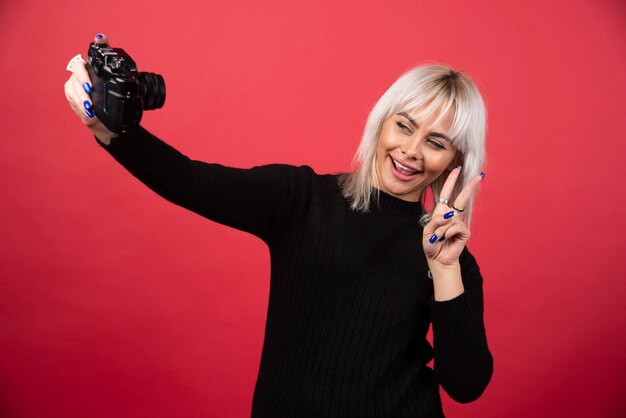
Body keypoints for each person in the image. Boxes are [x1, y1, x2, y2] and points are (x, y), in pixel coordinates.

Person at [64, 33, 493, 418]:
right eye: (404, 126)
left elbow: (465, 385)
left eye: (435, 143)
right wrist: (108, 129)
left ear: (454, 162)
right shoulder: (304, 199)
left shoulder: (452, 258)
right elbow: (191, 181)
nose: (411, 151)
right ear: (382, 121)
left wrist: (443, 268)